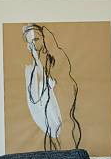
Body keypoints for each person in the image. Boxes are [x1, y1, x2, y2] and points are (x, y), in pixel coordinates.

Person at [23, 23, 81, 151]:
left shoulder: (56, 59)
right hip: (50, 128)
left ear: (44, 39)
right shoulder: (31, 70)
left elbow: (66, 87)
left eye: (36, 40)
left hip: (64, 123)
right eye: (29, 42)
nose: (33, 45)